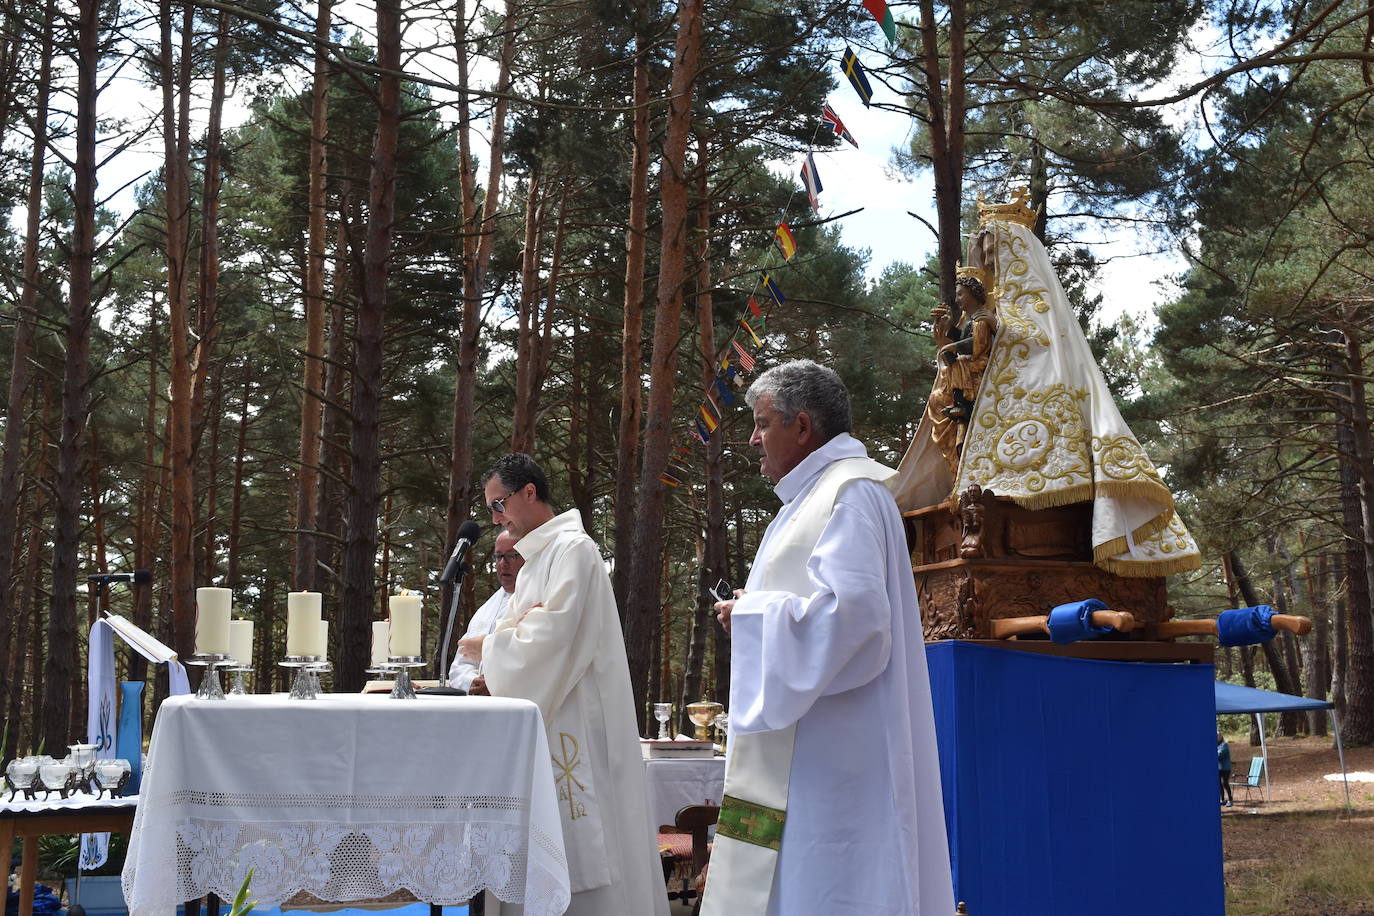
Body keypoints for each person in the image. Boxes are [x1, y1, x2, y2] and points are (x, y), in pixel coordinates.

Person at [702, 360, 955, 916]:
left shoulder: (851, 494)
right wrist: (755, 615)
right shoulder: (807, 503)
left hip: (839, 756)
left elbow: (858, 619)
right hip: (807, 749)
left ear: (802, 426)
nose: (752, 439)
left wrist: (755, 618)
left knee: (831, 885)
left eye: (762, 423)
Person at [458, 453, 668, 916]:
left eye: (499, 504)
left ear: (529, 493)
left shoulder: (573, 549)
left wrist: (489, 648)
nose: (496, 517)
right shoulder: (537, 557)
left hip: (572, 715)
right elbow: (529, 629)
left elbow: (552, 636)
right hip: (546, 712)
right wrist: (509, 639)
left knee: (582, 838)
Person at [446, 529, 523, 695]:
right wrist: (472, 682)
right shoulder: (486, 610)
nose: (503, 563)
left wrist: (497, 683)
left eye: (511, 556)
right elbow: (461, 663)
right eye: (498, 556)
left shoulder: (535, 599)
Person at [1218, 733, 1233, 807]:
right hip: (1219, 768)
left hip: (1226, 768)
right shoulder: (1217, 745)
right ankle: (1222, 799)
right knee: (1219, 783)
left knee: (1225, 783)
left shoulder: (1224, 745)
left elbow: (1219, 755)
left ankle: (1230, 800)